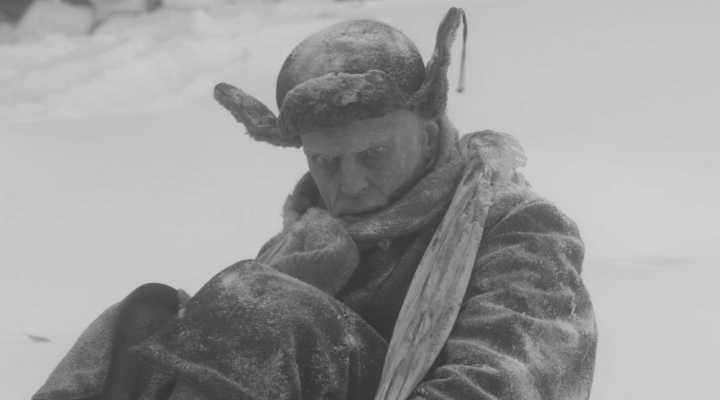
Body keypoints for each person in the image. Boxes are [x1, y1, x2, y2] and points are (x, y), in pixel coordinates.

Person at [34, 8, 597, 400]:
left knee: (259, 302)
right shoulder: (305, 243)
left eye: (373, 154)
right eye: (326, 161)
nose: (349, 183)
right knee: (144, 318)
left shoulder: (515, 226)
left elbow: (508, 381)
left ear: (428, 135)